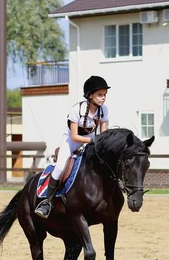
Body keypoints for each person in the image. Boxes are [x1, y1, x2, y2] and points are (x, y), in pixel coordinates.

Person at [34, 75, 111, 218]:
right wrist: (93, 141)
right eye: (100, 95)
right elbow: (75, 136)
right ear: (90, 95)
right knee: (59, 167)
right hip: (71, 142)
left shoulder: (104, 110)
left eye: (104, 95)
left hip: (92, 141)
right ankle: (47, 202)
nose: (103, 98)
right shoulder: (77, 110)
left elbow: (104, 134)